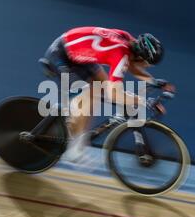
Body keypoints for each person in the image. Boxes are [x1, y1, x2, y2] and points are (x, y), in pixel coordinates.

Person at [39, 26, 175, 164]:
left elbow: (132, 66)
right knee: (92, 93)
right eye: (148, 64)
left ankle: (71, 120)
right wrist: (143, 102)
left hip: (77, 54)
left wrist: (153, 81)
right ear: (140, 56)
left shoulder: (128, 41)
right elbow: (114, 93)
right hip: (61, 56)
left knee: (101, 85)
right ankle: (71, 147)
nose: (148, 67)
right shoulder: (120, 54)